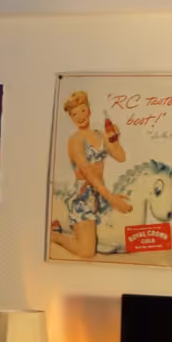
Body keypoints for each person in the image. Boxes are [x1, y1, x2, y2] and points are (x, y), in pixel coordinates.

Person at [49, 90, 133, 260]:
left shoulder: (100, 135)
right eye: (74, 114)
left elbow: (121, 157)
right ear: (71, 118)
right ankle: (56, 235)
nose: (79, 116)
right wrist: (112, 199)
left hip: (101, 195)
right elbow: (87, 172)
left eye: (82, 110)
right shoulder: (75, 141)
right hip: (84, 197)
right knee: (87, 252)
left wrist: (115, 142)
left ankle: (74, 229)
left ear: (89, 110)